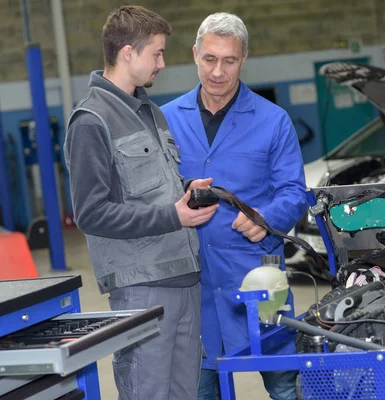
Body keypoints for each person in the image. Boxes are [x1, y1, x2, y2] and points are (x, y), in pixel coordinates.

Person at [64, 6, 217, 400]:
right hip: (142, 288)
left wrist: (185, 190)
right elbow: (91, 213)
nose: (162, 63)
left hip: (185, 278)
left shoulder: (151, 113)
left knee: (186, 393)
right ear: (127, 53)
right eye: (157, 53)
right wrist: (173, 214)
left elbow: (149, 187)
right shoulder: (91, 121)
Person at [161, 12, 308, 400]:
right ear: (195, 54)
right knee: (200, 389)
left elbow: (294, 191)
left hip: (258, 278)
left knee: (285, 387)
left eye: (229, 60)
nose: (218, 72)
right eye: (210, 59)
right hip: (194, 283)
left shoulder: (273, 121)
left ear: (243, 60)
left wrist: (266, 218)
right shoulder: (167, 121)